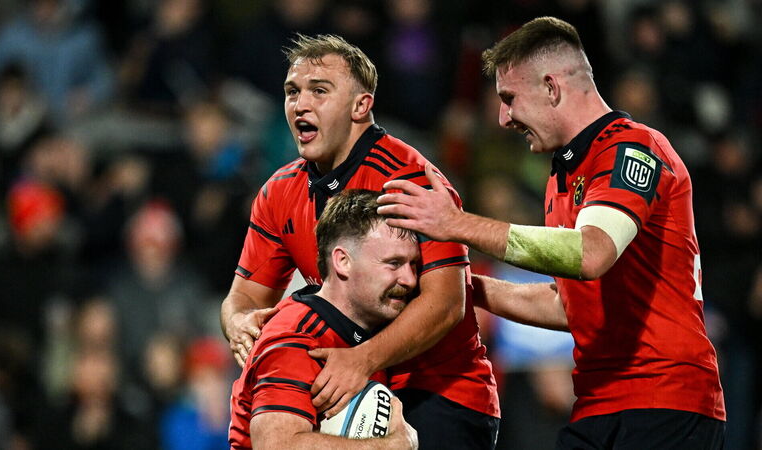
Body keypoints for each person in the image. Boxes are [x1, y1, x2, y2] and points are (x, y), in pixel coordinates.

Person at [377, 16, 726, 449]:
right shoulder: (563, 176)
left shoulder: (632, 147)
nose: (503, 118)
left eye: (509, 98)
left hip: (666, 400)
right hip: (600, 402)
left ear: (550, 87)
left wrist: (456, 224)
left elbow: (591, 253)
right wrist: (459, 285)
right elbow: (569, 304)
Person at [221, 34, 505, 449]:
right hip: (352, 384)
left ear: (360, 106)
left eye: (319, 91)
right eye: (292, 92)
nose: (300, 104)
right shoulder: (278, 192)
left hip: (438, 392)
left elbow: (446, 302)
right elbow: (244, 297)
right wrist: (237, 324)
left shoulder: (410, 181)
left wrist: (362, 360)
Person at [228, 189, 418, 449]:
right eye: (394, 263)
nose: (409, 280)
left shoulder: (373, 332)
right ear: (343, 261)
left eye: (413, 264)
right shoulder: (297, 338)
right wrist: (391, 446)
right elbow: (276, 444)